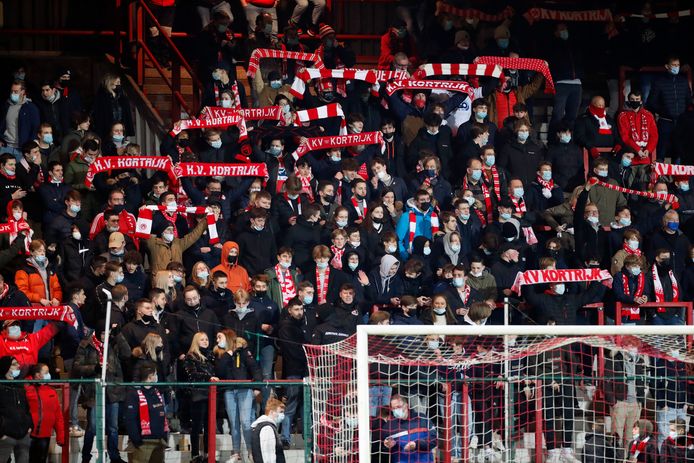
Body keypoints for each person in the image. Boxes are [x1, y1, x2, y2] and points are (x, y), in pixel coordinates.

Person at [216, 333, 262, 461]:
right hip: (229, 391)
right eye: (237, 343)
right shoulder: (225, 355)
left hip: (244, 390)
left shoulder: (245, 354)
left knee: (246, 422)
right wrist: (228, 354)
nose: (239, 345)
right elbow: (219, 371)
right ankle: (236, 451)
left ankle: (250, 450)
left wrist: (257, 387)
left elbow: (255, 368)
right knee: (233, 423)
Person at [182, 332, 219, 462]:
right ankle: (195, 454)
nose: (205, 341)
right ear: (196, 341)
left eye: (207, 339)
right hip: (197, 394)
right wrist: (208, 377)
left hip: (210, 393)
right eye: (202, 339)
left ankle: (209, 454)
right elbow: (192, 374)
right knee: (197, 426)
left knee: (209, 426)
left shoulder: (210, 355)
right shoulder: (191, 356)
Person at [277, 298, 308, 449]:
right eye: (296, 309)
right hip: (293, 372)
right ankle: (285, 438)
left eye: (301, 309)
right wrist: (307, 356)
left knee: (305, 406)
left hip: (305, 372)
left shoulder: (303, 325)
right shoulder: (285, 326)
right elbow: (292, 350)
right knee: (290, 405)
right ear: (289, 310)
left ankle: (308, 437)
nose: (299, 312)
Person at [124, 361, 169, 463]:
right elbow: (130, 420)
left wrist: (164, 436)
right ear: (150, 376)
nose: (157, 377)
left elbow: (162, 416)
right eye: (155, 374)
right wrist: (137, 441)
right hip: (143, 442)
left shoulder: (156, 392)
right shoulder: (134, 394)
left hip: (159, 441)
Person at [25, 363, 65, 463]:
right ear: (38, 375)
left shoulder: (52, 391)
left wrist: (60, 437)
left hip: (45, 436)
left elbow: (58, 415)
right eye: (46, 372)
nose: (49, 375)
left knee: (41, 460)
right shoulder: (26, 388)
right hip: (28, 435)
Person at [382, 394, 437, 463]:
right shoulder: (388, 426)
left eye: (398, 407)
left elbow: (434, 439)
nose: (396, 410)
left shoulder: (422, 418)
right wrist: (387, 446)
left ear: (406, 405)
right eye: (393, 408)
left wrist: (416, 444)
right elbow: (382, 450)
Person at [0, 356, 33, 463]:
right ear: (5, 367)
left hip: (23, 435)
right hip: (6, 437)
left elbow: (27, 409)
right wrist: (1, 434)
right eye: (14, 364)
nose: (18, 366)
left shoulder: (19, 387)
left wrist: (29, 426)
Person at [0, 80, 40, 160]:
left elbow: (35, 128)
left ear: (23, 91)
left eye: (16, 91)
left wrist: (29, 148)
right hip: (5, 147)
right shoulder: (6, 106)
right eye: (12, 91)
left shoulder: (31, 108)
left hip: (21, 149)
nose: (13, 94)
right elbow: (1, 123)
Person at [250, 398, 286, 463]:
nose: (283, 415)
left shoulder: (265, 426)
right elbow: (268, 456)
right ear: (272, 412)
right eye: (281, 412)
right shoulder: (267, 428)